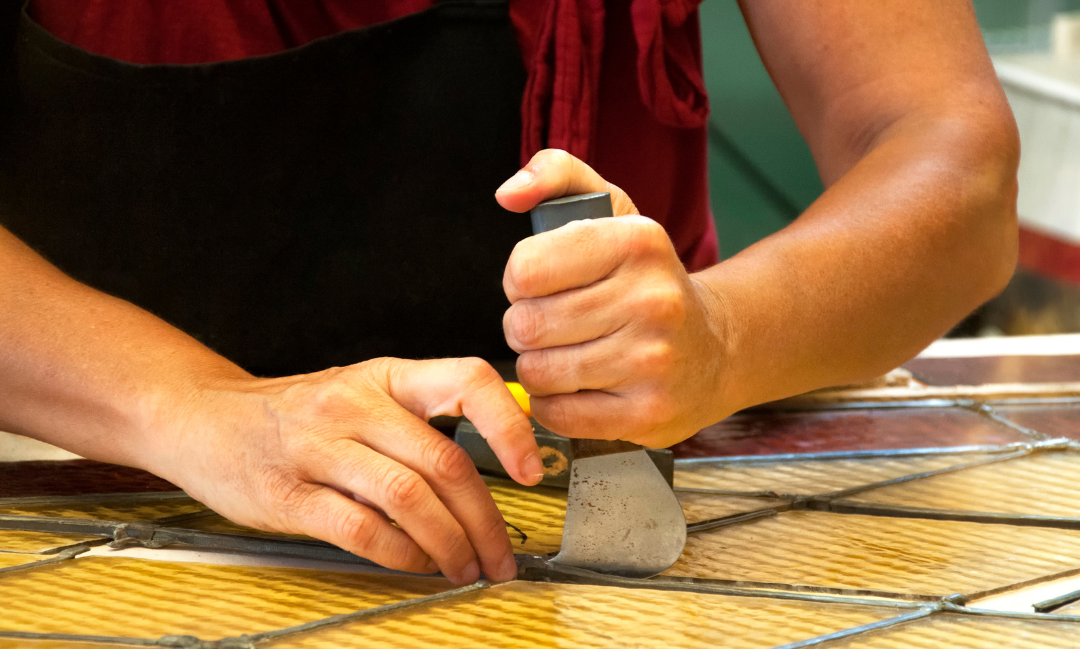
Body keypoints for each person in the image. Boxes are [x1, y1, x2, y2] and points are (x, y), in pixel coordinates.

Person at [0, 0, 1018, 586]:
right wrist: (185, 404)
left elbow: (952, 163)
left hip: (630, 489)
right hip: (73, 469)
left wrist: (724, 333)